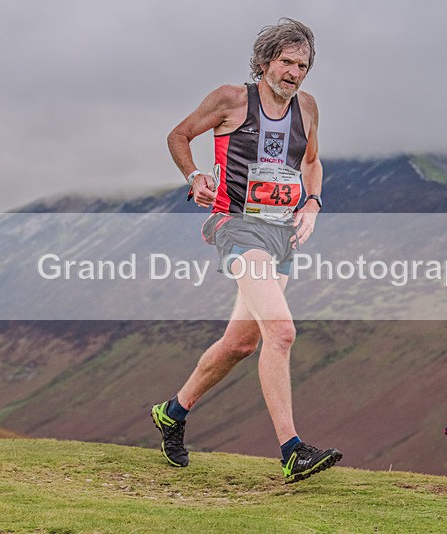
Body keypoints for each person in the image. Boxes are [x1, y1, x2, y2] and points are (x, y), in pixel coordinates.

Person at [152, 18, 341, 484]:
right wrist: (195, 176)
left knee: (241, 342)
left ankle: (172, 412)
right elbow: (178, 135)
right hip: (236, 227)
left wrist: (312, 205)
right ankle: (292, 450)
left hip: (281, 235)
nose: (294, 73)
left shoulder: (309, 108)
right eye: (286, 62)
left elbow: (312, 163)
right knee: (281, 333)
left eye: (303, 65)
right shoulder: (231, 100)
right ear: (264, 61)